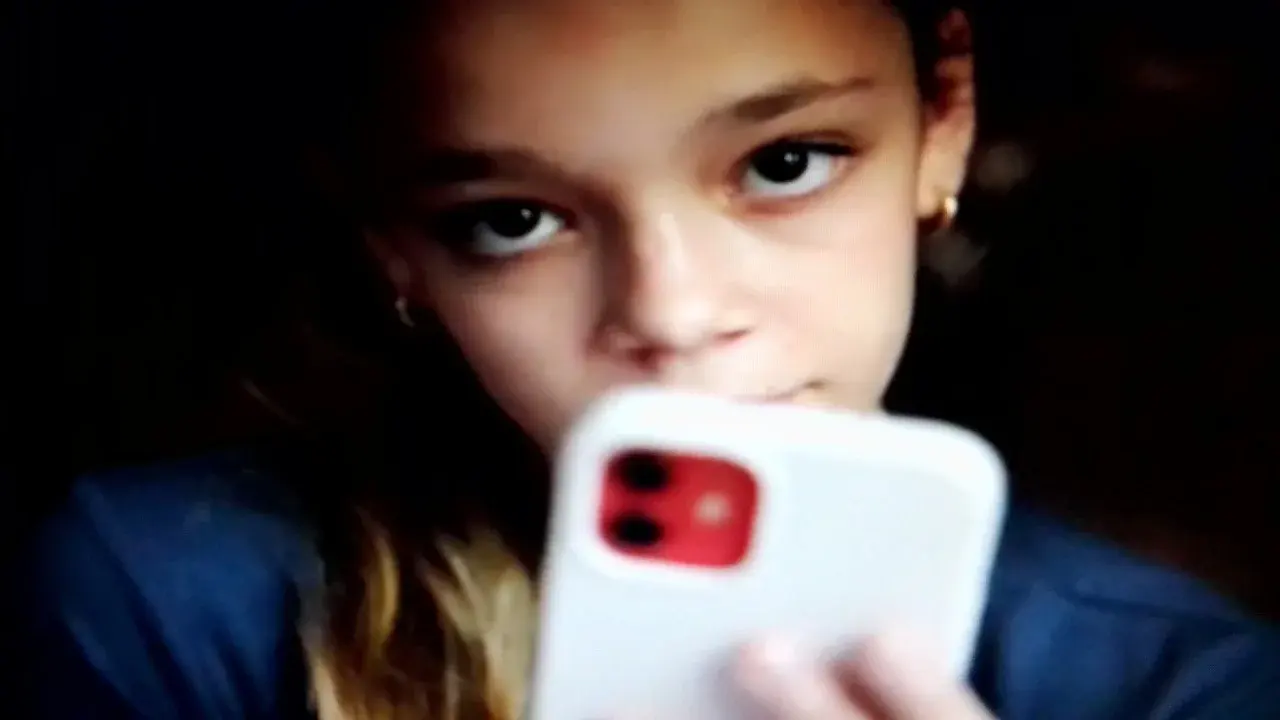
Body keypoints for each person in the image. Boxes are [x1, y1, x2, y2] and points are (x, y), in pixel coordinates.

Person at [8, 0, 1279, 718]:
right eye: (511, 220)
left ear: (941, 123)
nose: (669, 313)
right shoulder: (173, 602)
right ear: (392, 247)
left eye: (784, 163)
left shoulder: (1181, 687)